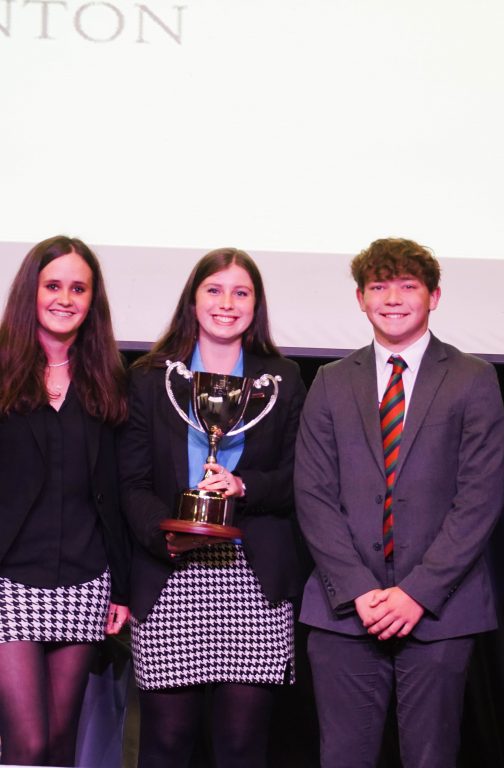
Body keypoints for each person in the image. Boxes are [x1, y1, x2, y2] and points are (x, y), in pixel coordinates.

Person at [295, 237, 504, 767]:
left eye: (408, 285)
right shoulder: (329, 382)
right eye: (379, 286)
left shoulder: (473, 378)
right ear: (361, 299)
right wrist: (360, 590)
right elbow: (313, 495)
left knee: (431, 759)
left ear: (434, 296)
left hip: (439, 610)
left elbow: (478, 499)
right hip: (345, 610)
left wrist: (417, 592)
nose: (393, 298)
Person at [118, 248, 306, 768]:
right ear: (193, 299)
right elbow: (130, 481)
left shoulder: (283, 378)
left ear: (256, 304)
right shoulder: (149, 378)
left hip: (254, 578)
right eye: (215, 290)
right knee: (165, 744)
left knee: (242, 748)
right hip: (169, 572)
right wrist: (166, 535)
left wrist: (245, 488)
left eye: (241, 292)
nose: (228, 303)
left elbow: (301, 477)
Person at [0, 236, 130, 766]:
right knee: (26, 745)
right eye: (53, 285)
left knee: (57, 745)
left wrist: (120, 587)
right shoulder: (4, 374)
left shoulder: (110, 380)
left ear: (91, 300)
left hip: (83, 581)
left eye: (78, 288)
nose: (64, 297)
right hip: (9, 582)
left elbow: (116, 497)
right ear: (31, 290)